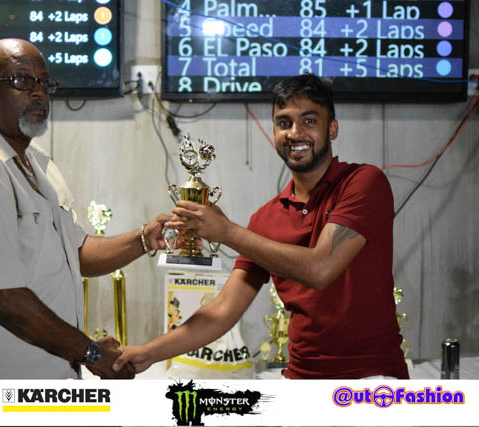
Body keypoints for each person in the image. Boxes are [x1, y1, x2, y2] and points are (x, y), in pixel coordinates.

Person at [113, 74, 409, 379]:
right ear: (274, 132)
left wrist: (226, 231)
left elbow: (321, 268)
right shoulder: (266, 219)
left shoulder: (363, 183)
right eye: (284, 123)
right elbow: (222, 312)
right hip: (301, 379)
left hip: (373, 380)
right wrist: (148, 352)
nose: (295, 133)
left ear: (331, 129)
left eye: (309, 121)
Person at [0, 38, 170, 379]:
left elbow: (76, 253)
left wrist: (145, 238)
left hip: (47, 382)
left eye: (44, 82)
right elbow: (1, 297)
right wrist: (91, 352)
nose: (38, 92)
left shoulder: (36, 163)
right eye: (21, 80)